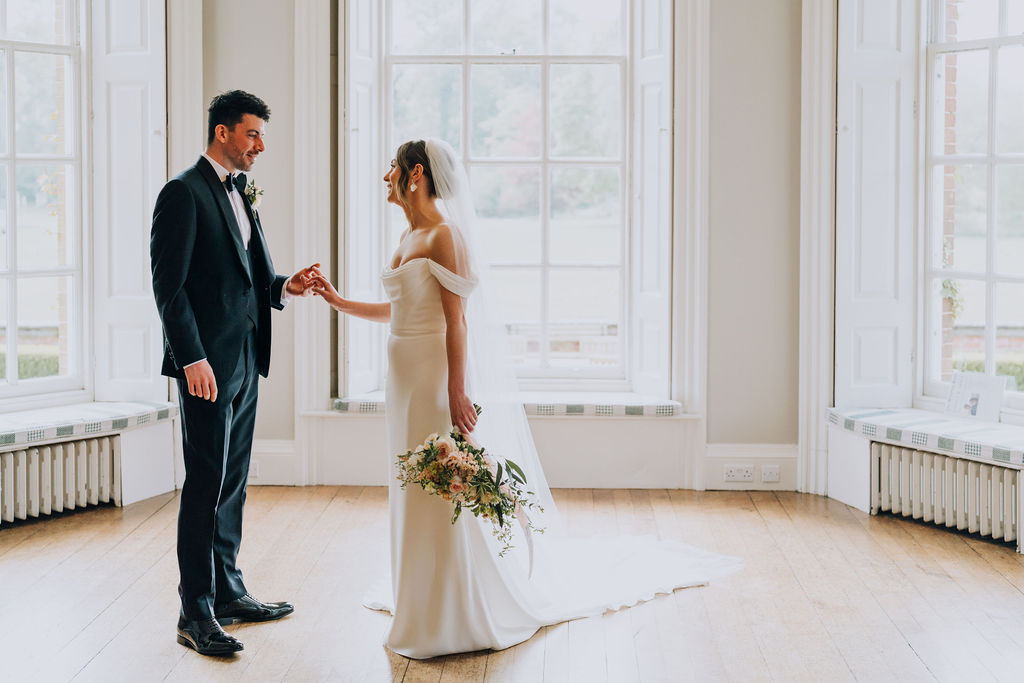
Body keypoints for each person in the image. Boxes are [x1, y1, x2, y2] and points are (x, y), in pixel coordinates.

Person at [310, 138, 741, 659]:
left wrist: (455, 390)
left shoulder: (444, 235)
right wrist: (336, 301)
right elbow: (397, 310)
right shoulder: (409, 233)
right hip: (401, 373)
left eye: (391, 168)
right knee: (410, 482)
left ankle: (452, 608)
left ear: (415, 173)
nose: (385, 178)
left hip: (429, 377)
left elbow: (456, 321)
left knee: (438, 482)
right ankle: (418, 597)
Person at [150, 90, 320, 656]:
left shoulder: (242, 190)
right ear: (223, 132)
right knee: (204, 484)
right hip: (206, 366)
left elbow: (249, 275)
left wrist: (285, 286)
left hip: (246, 359)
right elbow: (169, 288)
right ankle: (194, 610)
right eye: (252, 134)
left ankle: (228, 592)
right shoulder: (182, 193)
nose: (260, 145)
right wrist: (191, 359)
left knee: (233, 482)